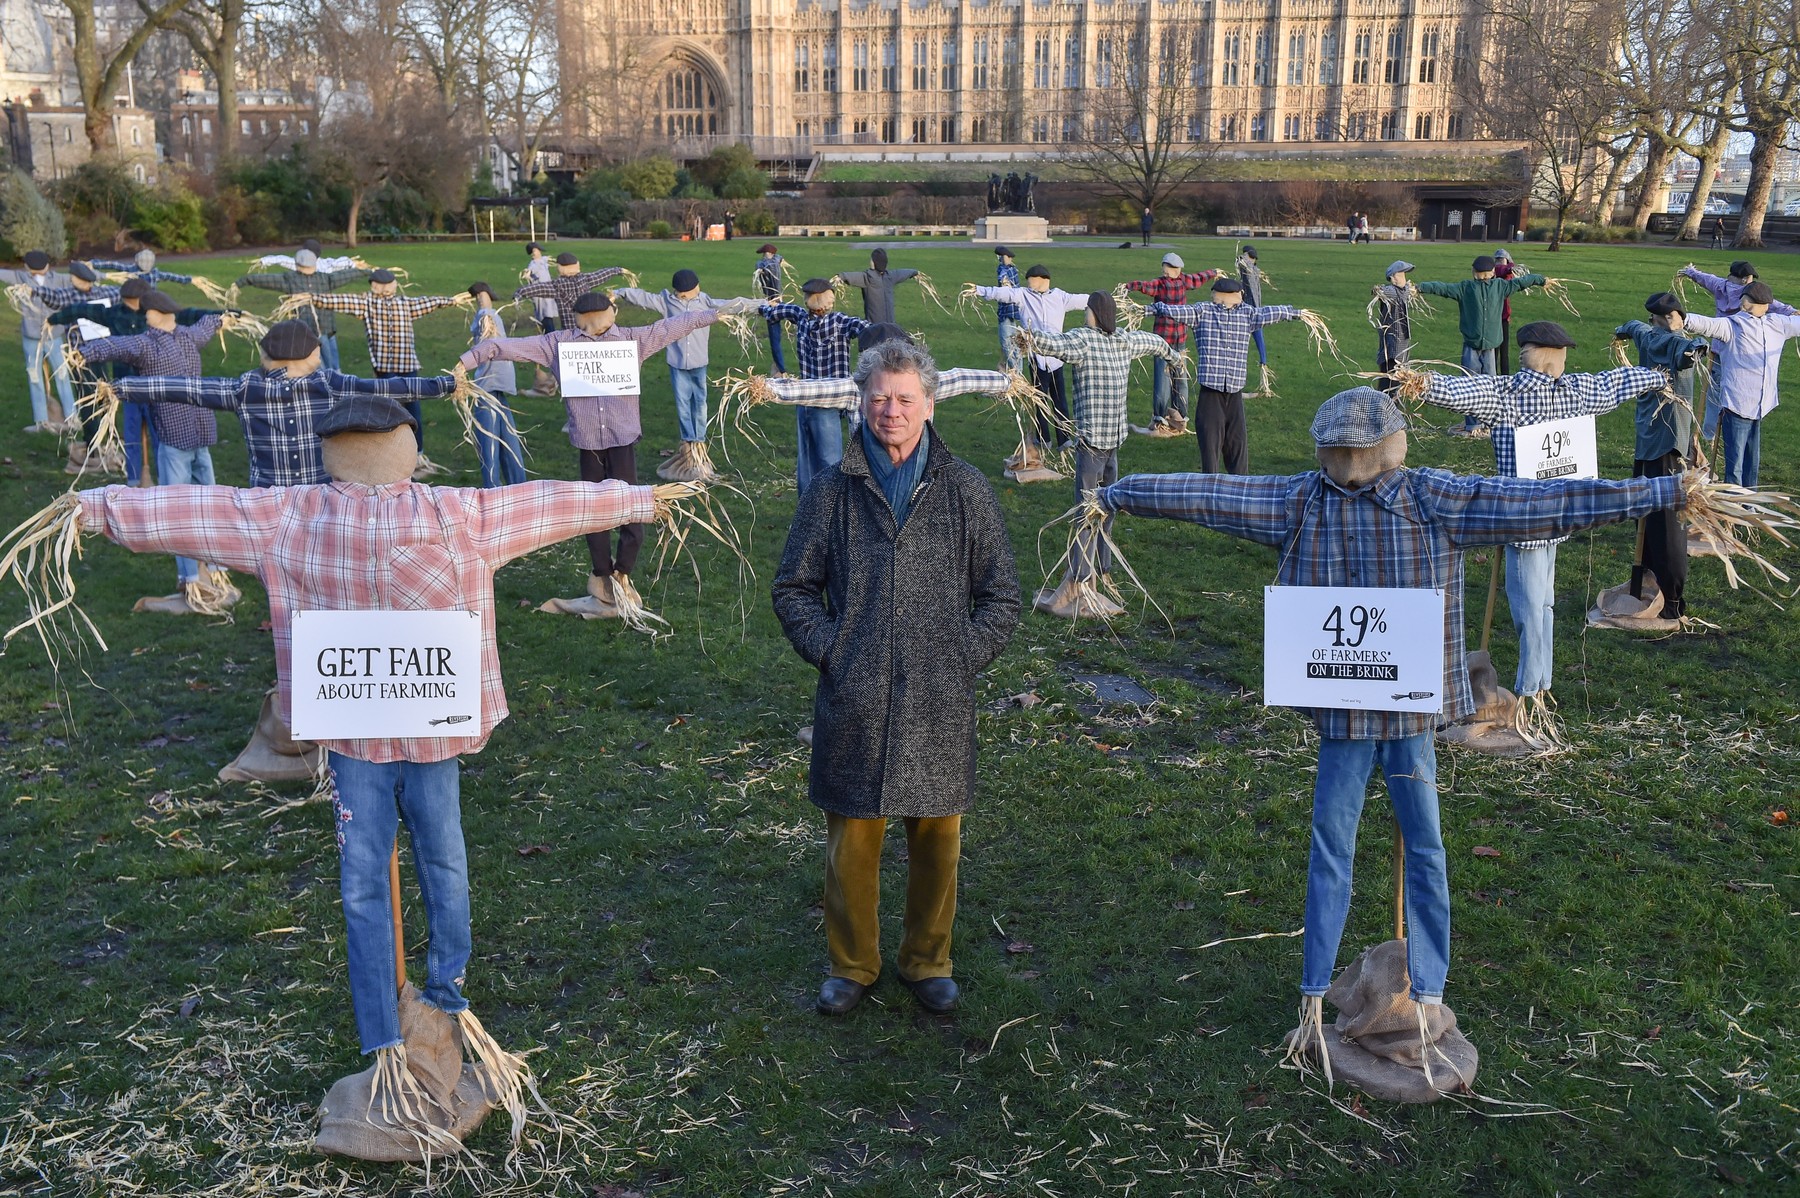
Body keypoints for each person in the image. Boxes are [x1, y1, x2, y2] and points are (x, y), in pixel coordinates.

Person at [73, 394, 661, 1158]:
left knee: (371, 874)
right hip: (408, 732)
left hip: (364, 734)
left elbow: (189, 512)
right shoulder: (460, 515)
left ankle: (408, 1024)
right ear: (409, 449)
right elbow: (552, 504)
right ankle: (425, 1012)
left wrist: (97, 509)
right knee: (434, 858)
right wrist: (643, 497)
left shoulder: (286, 516)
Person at [1095, 386, 1689, 1054]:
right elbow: (1546, 503)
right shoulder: (1390, 497)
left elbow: (1205, 495)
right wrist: (1659, 494)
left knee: (1357, 849)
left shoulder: (1332, 499)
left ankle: (1390, 996)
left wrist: (1118, 492)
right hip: (1372, 719)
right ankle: (1348, 995)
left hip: (1376, 720)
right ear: (1391, 446)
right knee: (1393, 849)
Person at [772, 338, 1020, 1017]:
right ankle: (852, 964)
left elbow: (1001, 596)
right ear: (861, 401)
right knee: (852, 836)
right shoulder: (833, 489)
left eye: (905, 399)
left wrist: (960, 656)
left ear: (930, 405)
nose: (891, 411)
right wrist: (834, 651)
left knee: (938, 837)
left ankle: (927, 959)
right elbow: (794, 586)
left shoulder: (965, 487)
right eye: (879, 397)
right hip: (856, 695)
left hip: (940, 697)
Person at [1409, 322, 1666, 712]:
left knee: (1531, 606)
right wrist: (1655, 376)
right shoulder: (1574, 392)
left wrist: (1420, 384)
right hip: (1557, 517)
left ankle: (1532, 689)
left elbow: (1464, 392)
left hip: (1522, 521)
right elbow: (1614, 383)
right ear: (1552, 361)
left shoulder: (1507, 394)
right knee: (1541, 604)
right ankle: (1539, 683)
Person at [456, 292, 725, 619]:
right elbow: (506, 346)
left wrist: (711, 315)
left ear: (612, 312)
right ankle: (602, 576)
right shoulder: (559, 344)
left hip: (622, 440)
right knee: (592, 512)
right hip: (588, 443)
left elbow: (671, 326)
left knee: (632, 509)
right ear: (579, 318)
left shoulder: (631, 340)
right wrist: (466, 361)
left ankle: (622, 572)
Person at [111, 320, 459, 491]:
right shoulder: (329, 384)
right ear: (313, 355)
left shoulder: (245, 389)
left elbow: (184, 389)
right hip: (321, 497)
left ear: (267, 355)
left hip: (268, 501)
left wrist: (122, 388)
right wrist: (446, 385)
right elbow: (387, 388)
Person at [1016, 293, 1182, 617]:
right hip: (1114, 444)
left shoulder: (1084, 340)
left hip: (1092, 446)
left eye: (1088, 311)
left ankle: (1079, 581)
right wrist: (1174, 356)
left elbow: (1055, 345)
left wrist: (1028, 338)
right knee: (1106, 510)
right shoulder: (1124, 341)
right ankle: (1103, 571)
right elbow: (1154, 343)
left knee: (1085, 513)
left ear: (1093, 313)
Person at [67, 290, 228, 612]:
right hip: (201, 432)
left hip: (174, 439)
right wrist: (221, 317)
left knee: (177, 512)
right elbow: (208, 325)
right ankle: (216, 573)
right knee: (211, 506)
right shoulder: (189, 336)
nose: (144, 316)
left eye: (147, 312)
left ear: (155, 314)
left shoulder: (146, 343)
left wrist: (81, 352)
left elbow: (115, 346)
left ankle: (193, 583)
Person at [611, 269, 761, 480]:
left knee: (700, 402)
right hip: (677, 363)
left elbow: (734, 304)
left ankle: (699, 440)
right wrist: (619, 292)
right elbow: (642, 297)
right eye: (691, 291)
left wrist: (762, 305)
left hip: (699, 362)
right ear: (681, 293)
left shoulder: (705, 301)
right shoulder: (667, 302)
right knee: (683, 403)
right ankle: (687, 443)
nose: (696, 292)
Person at [1614, 293, 1711, 620]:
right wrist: (1697, 347)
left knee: (1649, 517)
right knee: (1669, 526)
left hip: (1646, 441)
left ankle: (1650, 586)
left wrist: (1621, 331)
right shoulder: (1674, 343)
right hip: (1669, 445)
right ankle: (1670, 602)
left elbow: (1631, 326)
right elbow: (1686, 352)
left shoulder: (1645, 333)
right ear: (1675, 319)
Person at [1149, 279, 1304, 474]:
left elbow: (1270, 313)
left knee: (1237, 449)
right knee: (1210, 451)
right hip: (1210, 396)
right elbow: (1176, 311)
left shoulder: (1247, 314)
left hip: (1235, 396)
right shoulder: (1203, 312)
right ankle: (1211, 492)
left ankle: (1240, 491)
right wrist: (1154, 308)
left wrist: (1296, 313)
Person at [302, 270, 465, 455]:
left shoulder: (383, 304)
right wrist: (312, 298)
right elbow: (340, 301)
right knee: (401, 408)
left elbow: (339, 301)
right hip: (396, 367)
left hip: (395, 368)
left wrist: (312, 298)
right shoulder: (385, 304)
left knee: (398, 409)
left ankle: (407, 452)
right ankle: (404, 452)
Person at [1679, 282, 1800, 488]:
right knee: (1735, 464)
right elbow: (1707, 324)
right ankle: (1734, 505)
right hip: (1737, 404)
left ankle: (1749, 501)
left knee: (1752, 460)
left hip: (1761, 404)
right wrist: (1684, 319)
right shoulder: (1733, 325)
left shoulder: (1778, 323)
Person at [1415, 255, 1547, 436]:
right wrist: (1420, 287)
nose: (1483, 276)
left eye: (1484, 273)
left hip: (1490, 345)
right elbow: (1442, 288)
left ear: (1488, 272)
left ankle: (1488, 423)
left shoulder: (1497, 287)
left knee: (1486, 385)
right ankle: (1473, 426)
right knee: (1473, 384)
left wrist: (1541, 280)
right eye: (1481, 273)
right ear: (1478, 273)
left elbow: (1522, 282)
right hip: (1473, 344)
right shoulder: (1470, 288)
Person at [970, 264, 1090, 463]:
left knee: (1060, 400)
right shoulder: (1024, 295)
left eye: (1031, 280)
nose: (1028, 284)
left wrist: (1106, 300)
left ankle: (1064, 440)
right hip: (1036, 359)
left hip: (1057, 359)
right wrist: (979, 290)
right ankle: (1043, 439)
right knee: (1038, 399)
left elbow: (1084, 299)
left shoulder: (1060, 297)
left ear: (1042, 279)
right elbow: (1003, 294)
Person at [761, 279, 872, 491]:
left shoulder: (824, 320)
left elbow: (865, 328)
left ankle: (823, 503)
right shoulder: (814, 318)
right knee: (818, 460)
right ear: (829, 300)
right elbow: (866, 328)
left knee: (818, 459)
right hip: (814, 400)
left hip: (817, 401)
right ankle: (818, 504)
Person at [1678, 260, 1796, 441]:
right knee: (1735, 395)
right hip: (1741, 355)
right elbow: (1773, 305)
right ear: (1745, 279)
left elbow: (1705, 278)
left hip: (1718, 352)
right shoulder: (1750, 295)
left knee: (1713, 395)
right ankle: (1728, 432)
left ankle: (1709, 435)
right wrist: (1793, 312)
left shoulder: (1720, 286)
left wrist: (1690, 272)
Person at [48, 275, 152, 475]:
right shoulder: (115, 314)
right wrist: (53, 320)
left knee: (150, 425)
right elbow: (79, 310)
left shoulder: (148, 314)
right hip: (129, 381)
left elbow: (186, 315)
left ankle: (143, 466)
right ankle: (135, 473)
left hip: (147, 378)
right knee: (133, 424)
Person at [1124, 253, 1221, 436]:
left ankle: (1159, 421)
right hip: (1180, 340)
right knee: (1180, 380)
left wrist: (1128, 286)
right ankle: (1180, 420)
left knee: (1162, 382)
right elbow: (1199, 278)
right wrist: (1214, 272)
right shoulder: (1185, 281)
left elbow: (1145, 286)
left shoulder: (1160, 284)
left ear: (1167, 267)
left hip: (1162, 342)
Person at [234, 249, 373, 374]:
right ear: (315, 263)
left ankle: (325, 382)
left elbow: (265, 280)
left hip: (306, 330)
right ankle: (334, 381)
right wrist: (367, 271)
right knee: (329, 361)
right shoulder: (325, 279)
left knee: (317, 361)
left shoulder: (290, 280)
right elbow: (345, 275)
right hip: (325, 327)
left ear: (296, 264)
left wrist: (242, 281)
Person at [1, 250, 78, 434]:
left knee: (62, 375)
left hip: (54, 336)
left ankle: (72, 418)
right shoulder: (20, 277)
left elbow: (80, 280)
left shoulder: (58, 279)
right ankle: (41, 421)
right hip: (31, 336)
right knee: (34, 377)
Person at [465, 282, 526, 488]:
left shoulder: (487, 316)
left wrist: (462, 365)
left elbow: (488, 344)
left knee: (488, 439)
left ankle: (491, 489)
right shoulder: (491, 316)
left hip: (488, 382)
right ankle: (518, 487)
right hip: (499, 381)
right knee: (508, 437)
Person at [512, 251, 625, 321]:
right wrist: (617, 270)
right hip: (589, 328)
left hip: (569, 335)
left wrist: (520, 292)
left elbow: (537, 288)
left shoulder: (557, 286)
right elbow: (602, 274)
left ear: (560, 268)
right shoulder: (586, 279)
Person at [837, 249, 918, 325]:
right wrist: (914, 272)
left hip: (874, 326)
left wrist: (840, 276)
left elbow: (853, 276)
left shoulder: (868, 278)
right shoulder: (890, 276)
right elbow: (902, 273)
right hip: (891, 325)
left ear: (873, 263)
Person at [1372, 260, 1416, 395]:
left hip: (1401, 345)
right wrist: (1378, 290)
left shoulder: (1403, 291)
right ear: (1393, 278)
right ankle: (1386, 406)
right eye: (1401, 274)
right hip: (1391, 347)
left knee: (1397, 379)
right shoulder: (1391, 291)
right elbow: (1380, 292)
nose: (1404, 278)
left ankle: (1392, 405)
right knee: (1389, 379)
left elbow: (1409, 289)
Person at [1236, 246, 1271, 389]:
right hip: (1250, 310)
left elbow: (1245, 268)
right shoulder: (1250, 269)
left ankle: (1263, 366)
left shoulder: (1251, 271)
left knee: (1257, 339)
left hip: (1251, 312)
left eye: (1246, 255)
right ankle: (1263, 364)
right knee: (1255, 341)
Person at [754, 244, 789, 375]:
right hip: (780, 301)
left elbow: (760, 266)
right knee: (777, 336)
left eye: (764, 254)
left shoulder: (764, 264)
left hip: (771, 303)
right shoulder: (776, 260)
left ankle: (781, 369)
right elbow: (779, 258)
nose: (764, 256)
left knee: (774, 338)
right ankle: (779, 366)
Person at [1492, 248, 1523, 375]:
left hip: (1503, 317)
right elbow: (1499, 269)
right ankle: (1492, 376)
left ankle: (1505, 377)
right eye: (1497, 260)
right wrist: (1508, 267)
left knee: (1504, 352)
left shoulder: (1507, 277)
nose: (1499, 262)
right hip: (1493, 317)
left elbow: (1504, 271)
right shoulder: (1494, 272)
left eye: (1501, 260)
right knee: (1493, 352)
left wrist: (1509, 267)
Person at [92, 248, 192, 287]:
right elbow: (112, 265)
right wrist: (94, 264)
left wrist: (186, 279)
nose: (146, 264)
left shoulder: (154, 274)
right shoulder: (130, 271)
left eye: (149, 261)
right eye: (143, 261)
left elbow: (171, 276)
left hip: (150, 302)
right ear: (137, 260)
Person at [992, 246, 1023, 371]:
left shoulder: (1005, 271)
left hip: (1006, 310)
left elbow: (1004, 282)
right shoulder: (1012, 270)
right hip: (1012, 309)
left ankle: (1016, 372)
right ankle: (1013, 370)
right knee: (1012, 341)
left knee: (1006, 342)